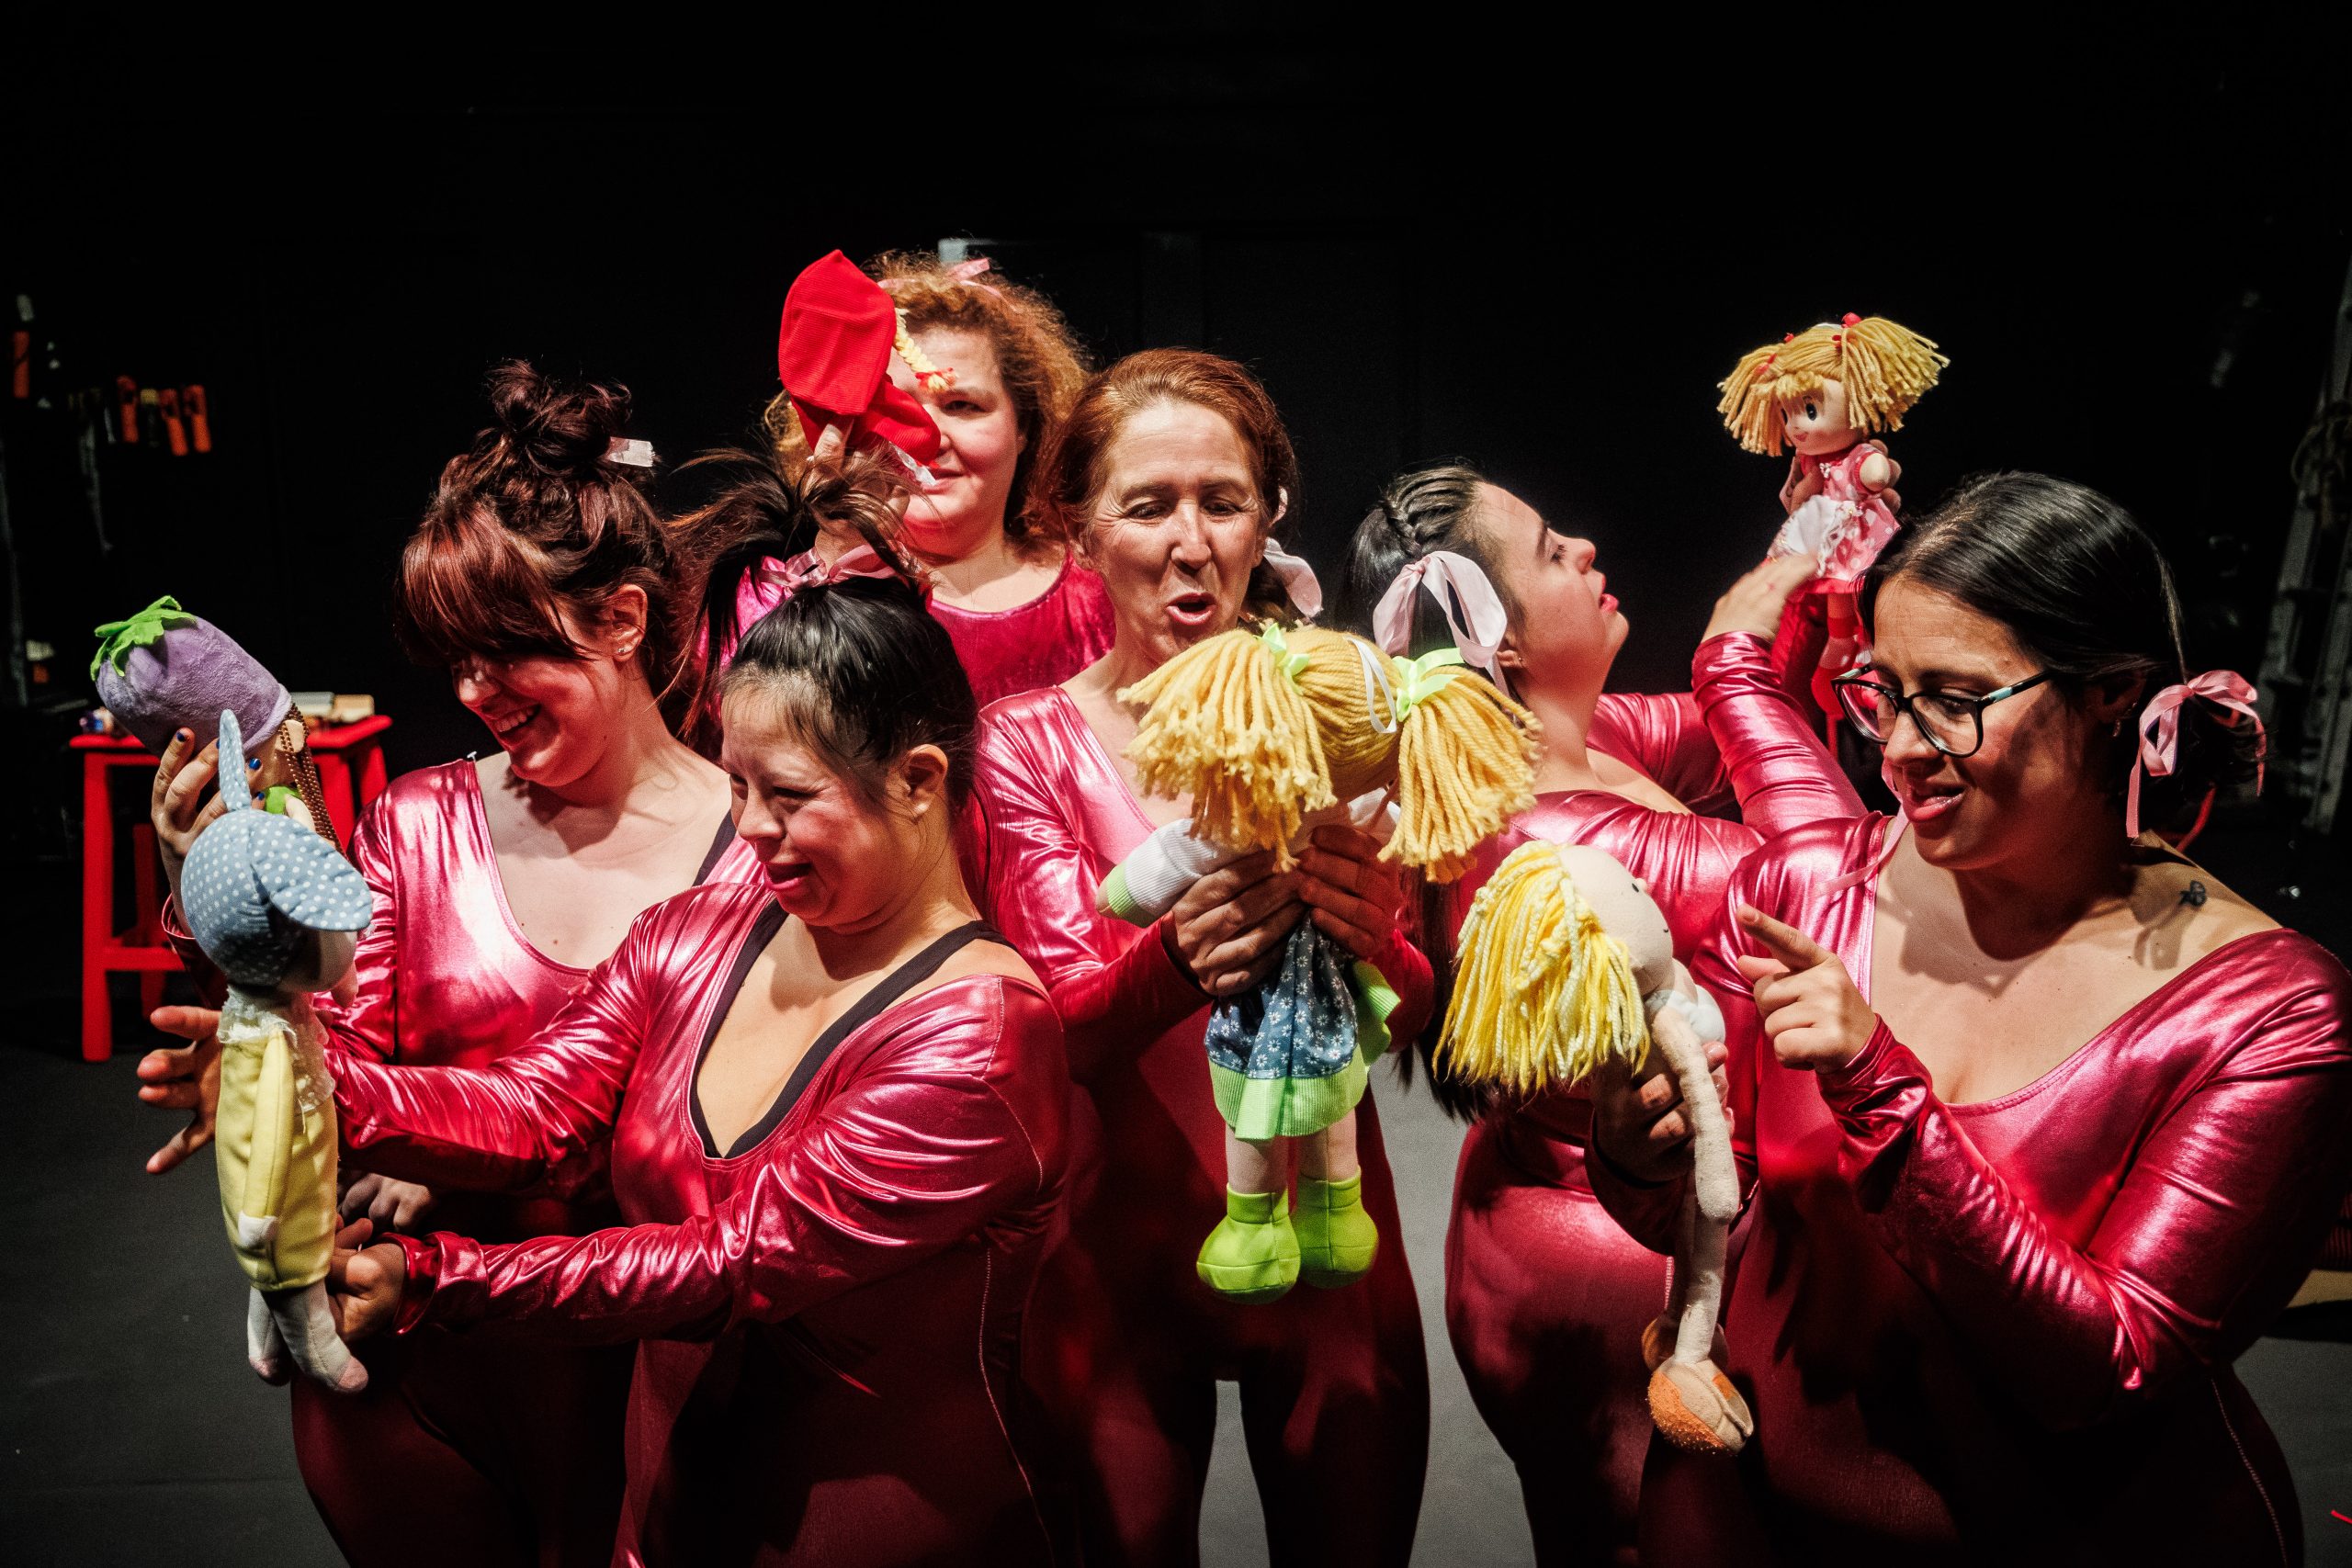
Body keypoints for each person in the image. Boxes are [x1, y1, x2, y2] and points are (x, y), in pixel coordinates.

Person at [1590, 473, 2352, 1563]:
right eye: (1881, 694)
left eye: (1952, 698)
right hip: (1737, 1517)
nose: (1897, 749)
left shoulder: (2267, 1011)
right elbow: (1723, 1212)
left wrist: (1878, 1088)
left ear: (2109, 694)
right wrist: (1639, 1157)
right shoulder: (1819, 885)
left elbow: (2108, 1370)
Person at [312, 570, 1069, 1567]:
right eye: (738, 786)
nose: (748, 828)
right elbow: (537, 1109)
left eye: (788, 796)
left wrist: (437, 1277)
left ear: (919, 780)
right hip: (669, 1517)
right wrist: (298, 1080)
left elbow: (724, 1264)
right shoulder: (702, 930)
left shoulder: (981, 1040)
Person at [138, 365, 759, 1567]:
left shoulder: (755, 844)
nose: (473, 693)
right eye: (451, 658)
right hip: (409, 1369)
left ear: (624, 618)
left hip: (657, 1377)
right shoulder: (422, 820)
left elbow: (722, 1143)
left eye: (505, 651)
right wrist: (222, 915)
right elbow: (339, 1049)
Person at [1342, 463, 1860, 1566]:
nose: (1580, 546)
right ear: (1505, 644)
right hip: (1608, 1250)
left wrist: (1817, 561)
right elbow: (1834, 881)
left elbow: (1750, 726)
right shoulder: (1545, 835)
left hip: (1581, 1209)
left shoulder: (1575, 736)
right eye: (1545, 549)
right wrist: (1730, 660)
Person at [973, 349, 1435, 1566]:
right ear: (1080, 528)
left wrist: (1372, 926)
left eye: (1223, 501)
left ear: (1268, 517)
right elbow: (1055, 1028)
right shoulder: (1027, 742)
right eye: (1149, 503)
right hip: (1116, 1268)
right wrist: (1176, 958)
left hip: (1332, 1254)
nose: (1191, 541)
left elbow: (1420, 999)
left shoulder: (1344, 706)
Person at [743, 251, 1113, 705]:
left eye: (962, 406)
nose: (928, 437)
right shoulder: (764, 604)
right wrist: (840, 560)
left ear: (1025, 428)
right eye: (895, 408)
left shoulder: (1108, 595)